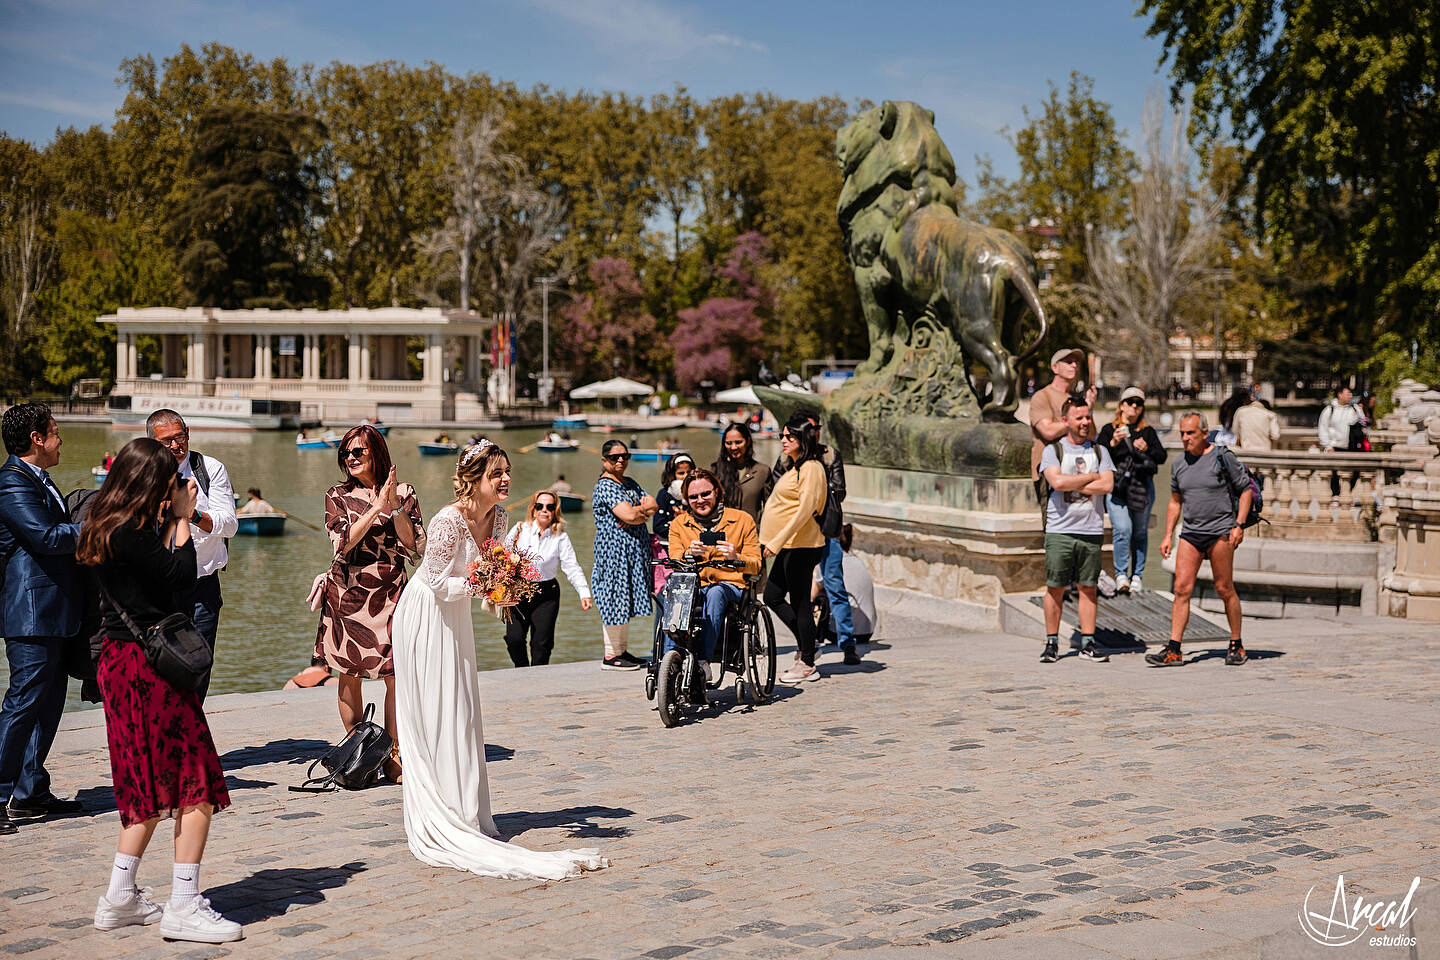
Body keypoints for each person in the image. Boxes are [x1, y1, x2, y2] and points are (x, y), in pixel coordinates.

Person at [390, 440, 606, 880]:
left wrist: (502, 584)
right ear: (473, 479)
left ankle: (466, 809)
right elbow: (432, 582)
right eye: (497, 473)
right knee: (438, 709)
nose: (506, 479)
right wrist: (485, 586)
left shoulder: (502, 517)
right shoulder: (448, 520)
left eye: (507, 471)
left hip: (456, 617)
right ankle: (442, 808)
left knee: (463, 710)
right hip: (425, 617)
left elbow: (488, 567)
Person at [79, 437, 241, 942]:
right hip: (149, 670)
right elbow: (181, 580)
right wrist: (182, 519)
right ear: (151, 483)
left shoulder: (102, 525)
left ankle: (120, 897)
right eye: (169, 480)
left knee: (141, 785)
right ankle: (185, 904)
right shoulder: (135, 533)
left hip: (119, 663)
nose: (177, 487)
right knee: (197, 782)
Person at [314, 423, 422, 783]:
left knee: (397, 675)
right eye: (346, 452)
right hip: (349, 593)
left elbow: (414, 548)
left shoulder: (404, 492)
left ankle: (393, 756)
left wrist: (392, 508)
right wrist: (374, 509)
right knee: (350, 672)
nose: (351, 457)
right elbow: (341, 544)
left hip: (393, 592)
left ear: (376, 452)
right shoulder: (338, 495)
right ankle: (357, 750)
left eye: (358, 451)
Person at [0, 402, 84, 836]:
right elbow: (45, 537)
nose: (60, 437)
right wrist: (103, 525)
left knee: (48, 705)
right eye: (54, 430)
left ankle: (31, 793)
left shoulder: (40, 480)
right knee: (21, 704)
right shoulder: (12, 483)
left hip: (54, 612)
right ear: (36, 438)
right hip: (30, 613)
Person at [145, 410, 238, 703]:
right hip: (159, 590)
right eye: (166, 442)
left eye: (179, 437)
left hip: (202, 586)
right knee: (159, 669)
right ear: (151, 442)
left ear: (188, 432)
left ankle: (190, 741)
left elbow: (230, 524)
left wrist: (192, 514)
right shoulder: (142, 471)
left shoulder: (209, 468)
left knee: (198, 669)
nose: (175, 446)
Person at [1151, 412, 1252, 668]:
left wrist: (1238, 525)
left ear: (1204, 434)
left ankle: (1236, 643)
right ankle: (1174, 649)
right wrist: (1167, 535)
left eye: (1190, 433)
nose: (1185, 439)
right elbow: (1175, 502)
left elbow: (1245, 490)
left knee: (1224, 588)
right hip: (1191, 533)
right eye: (1183, 433)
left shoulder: (1222, 457)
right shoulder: (1178, 463)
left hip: (1220, 532)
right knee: (1181, 589)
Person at [774, 409, 856, 664]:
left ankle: (847, 644)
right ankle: (808, 644)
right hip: (797, 533)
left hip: (823, 530)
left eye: (815, 428)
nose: (814, 432)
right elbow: (778, 486)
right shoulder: (787, 457)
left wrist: (816, 488)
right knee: (795, 594)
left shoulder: (829, 455)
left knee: (834, 583)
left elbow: (839, 490)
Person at [1038, 396, 1115, 664]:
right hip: (1060, 530)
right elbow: (1056, 482)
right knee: (1055, 587)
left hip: (1091, 530)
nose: (1085, 422)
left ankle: (1088, 642)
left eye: (1087, 417)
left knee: (1088, 587)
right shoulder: (1053, 451)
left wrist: (1075, 483)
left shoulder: (1100, 452)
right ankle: (1051, 642)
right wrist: (1091, 477)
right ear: (1065, 421)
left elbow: (1107, 486)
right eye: (1079, 417)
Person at [666, 468, 762, 681]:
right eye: (693, 497)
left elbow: (756, 565)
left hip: (731, 586)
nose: (700, 500)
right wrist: (688, 554)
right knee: (670, 591)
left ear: (717, 492)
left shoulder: (742, 520)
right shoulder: (679, 524)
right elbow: (674, 560)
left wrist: (736, 556)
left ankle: (704, 662)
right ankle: (668, 661)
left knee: (716, 592)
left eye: (705, 494)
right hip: (695, 585)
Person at [759, 414, 828, 683]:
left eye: (790, 436)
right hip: (790, 543)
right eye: (782, 436)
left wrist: (777, 541)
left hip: (802, 544)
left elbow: (805, 511)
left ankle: (808, 661)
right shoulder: (797, 466)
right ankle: (808, 644)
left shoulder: (812, 467)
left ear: (803, 438)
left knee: (800, 602)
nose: (783, 440)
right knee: (773, 596)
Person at [503, 491, 593, 667]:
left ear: (555, 511)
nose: (544, 510)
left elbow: (571, 567)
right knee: (514, 639)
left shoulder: (560, 537)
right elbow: (502, 556)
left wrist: (584, 593)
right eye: (540, 506)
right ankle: (522, 671)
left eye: (550, 507)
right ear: (533, 509)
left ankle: (538, 678)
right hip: (518, 591)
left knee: (541, 644)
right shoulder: (520, 529)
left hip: (546, 594)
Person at [591, 440, 657, 670]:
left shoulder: (629, 482)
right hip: (613, 551)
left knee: (625, 597)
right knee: (613, 597)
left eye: (624, 456)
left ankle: (621, 651)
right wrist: (639, 512)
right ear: (604, 460)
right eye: (614, 457)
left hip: (632, 550)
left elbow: (653, 504)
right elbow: (629, 514)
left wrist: (638, 513)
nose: (621, 460)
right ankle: (610, 654)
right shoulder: (605, 486)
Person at [1096, 387, 1167, 594]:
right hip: (1118, 489)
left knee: (1140, 532)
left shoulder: (1147, 431)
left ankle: (1137, 575)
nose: (1134, 406)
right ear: (1121, 405)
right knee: (1122, 530)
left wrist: (1146, 448)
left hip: (1142, 488)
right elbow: (1099, 455)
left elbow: (1160, 457)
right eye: (1130, 402)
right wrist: (1113, 442)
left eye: (1138, 403)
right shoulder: (1110, 429)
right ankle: (1121, 575)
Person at [1029, 347, 1091, 497]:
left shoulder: (1076, 399)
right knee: (1053, 520)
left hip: (1075, 470)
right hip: (1051, 473)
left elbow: (1090, 435)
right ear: (1055, 367)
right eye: (1069, 362)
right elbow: (1048, 431)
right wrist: (1074, 422)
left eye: (1076, 362)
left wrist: (1089, 408)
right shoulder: (1042, 396)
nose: (1074, 366)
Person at [810, 523, 876, 644]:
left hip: (839, 633)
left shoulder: (829, 562)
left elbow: (812, 596)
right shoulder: (858, 561)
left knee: (821, 595)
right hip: (867, 632)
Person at [712, 423, 773, 524]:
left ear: (748, 441)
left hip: (752, 533)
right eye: (728, 443)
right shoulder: (716, 470)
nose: (733, 447)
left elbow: (770, 508)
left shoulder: (762, 471)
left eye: (738, 442)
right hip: (723, 533)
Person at [1318, 385, 1362, 502]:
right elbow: (1323, 428)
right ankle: (1336, 494)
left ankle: (1347, 492)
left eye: (1350, 394)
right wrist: (1328, 445)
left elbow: (1363, 424)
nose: (1350, 396)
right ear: (1340, 395)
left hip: (1351, 446)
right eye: (1347, 394)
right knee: (1334, 472)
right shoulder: (1329, 410)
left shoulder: (1355, 409)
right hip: (1335, 446)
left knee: (1355, 471)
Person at [1231, 387, 1281, 451]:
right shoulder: (1270, 415)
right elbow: (1275, 435)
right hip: (1265, 451)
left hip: (1245, 451)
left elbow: (1234, 431)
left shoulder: (1240, 411)